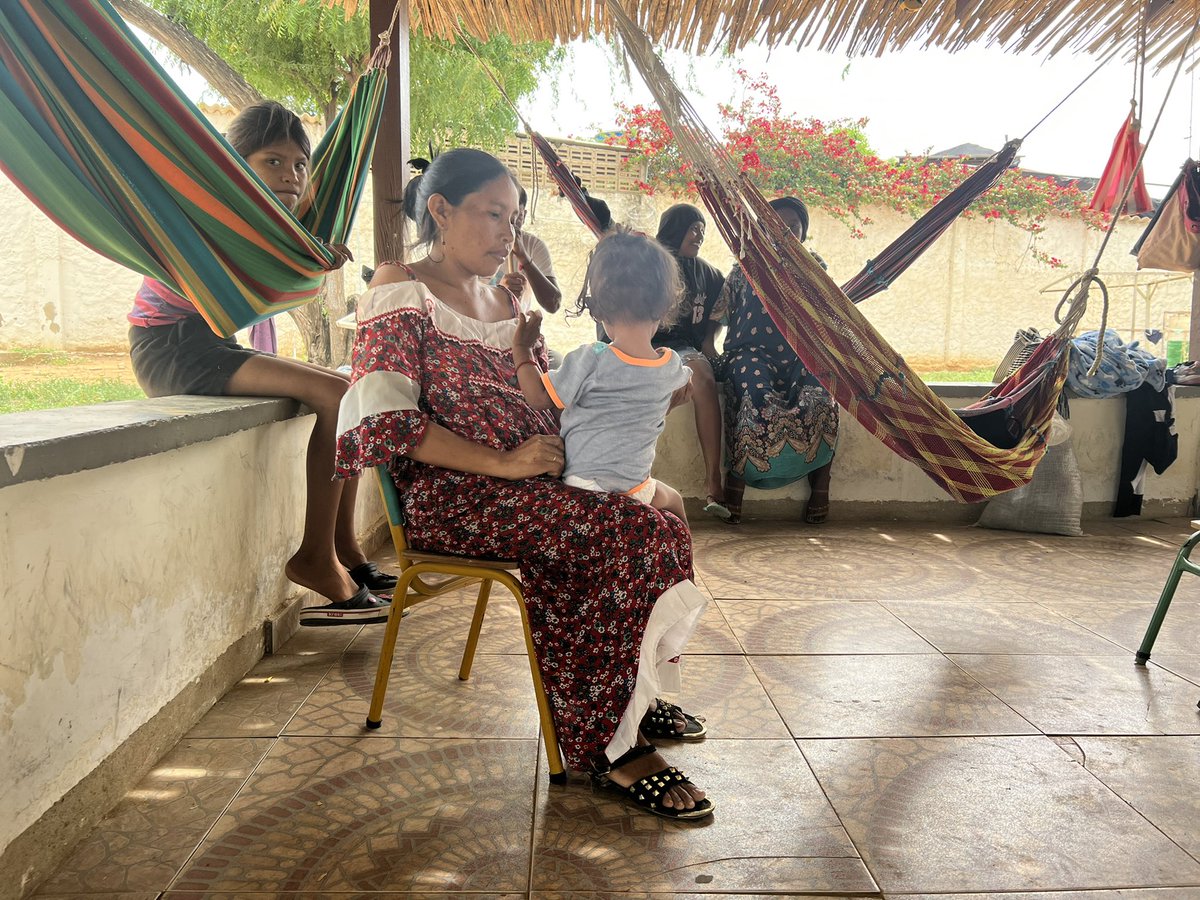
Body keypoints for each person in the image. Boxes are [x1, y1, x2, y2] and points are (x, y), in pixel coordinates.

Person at [335, 148, 714, 819]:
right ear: (441, 210)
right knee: (624, 532)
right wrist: (507, 464)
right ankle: (610, 745)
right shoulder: (400, 288)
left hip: (537, 482)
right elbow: (390, 423)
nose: (508, 233)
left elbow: (550, 395)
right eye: (493, 214)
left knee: (663, 516)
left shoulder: (509, 301)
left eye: (514, 218)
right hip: (459, 496)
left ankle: (631, 694)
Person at [127, 101, 395, 626]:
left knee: (354, 386)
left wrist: (309, 260)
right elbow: (240, 285)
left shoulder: (269, 227)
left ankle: (344, 547)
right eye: (273, 161)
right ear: (236, 168)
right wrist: (303, 262)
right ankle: (315, 557)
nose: (291, 176)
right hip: (170, 347)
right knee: (337, 395)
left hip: (209, 343)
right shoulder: (216, 213)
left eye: (300, 164)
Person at [511, 231, 692, 524]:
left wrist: (522, 350)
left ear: (598, 310)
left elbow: (538, 397)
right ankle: (684, 554)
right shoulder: (671, 366)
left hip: (583, 486)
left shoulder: (593, 357)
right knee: (674, 500)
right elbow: (684, 390)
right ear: (664, 306)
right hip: (635, 490)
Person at [713, 196, 838, 525]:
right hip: (749, 353)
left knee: (822, 392)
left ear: (803, 233)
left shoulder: (814, 268)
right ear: (761, 231)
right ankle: (735, 485)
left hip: (800, 356)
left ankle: (821, 485)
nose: (784, 231)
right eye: (775, 225)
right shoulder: (744, 267)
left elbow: (828, 317)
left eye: (793, 227)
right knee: (752, 392)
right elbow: (718, 317)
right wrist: (708, 353)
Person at [652, 204, 730, 520]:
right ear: (675, 228)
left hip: (682, 348)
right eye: (693, 228)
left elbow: (717, 314)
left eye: (703, 230)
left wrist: (709, 342)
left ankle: (714, 481)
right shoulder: (649, 262)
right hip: (641, 343)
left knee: (704, 377)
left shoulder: (709, 274)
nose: (699, 235)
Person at [493, 185, 562, 314]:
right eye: (502, 217)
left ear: (524, 215)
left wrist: (524, 257)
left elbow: (553, 304)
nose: (510, 226)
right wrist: (500, 293)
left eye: (516, 217)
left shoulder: (534, 246)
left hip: (518, 325)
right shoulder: (478, 244)